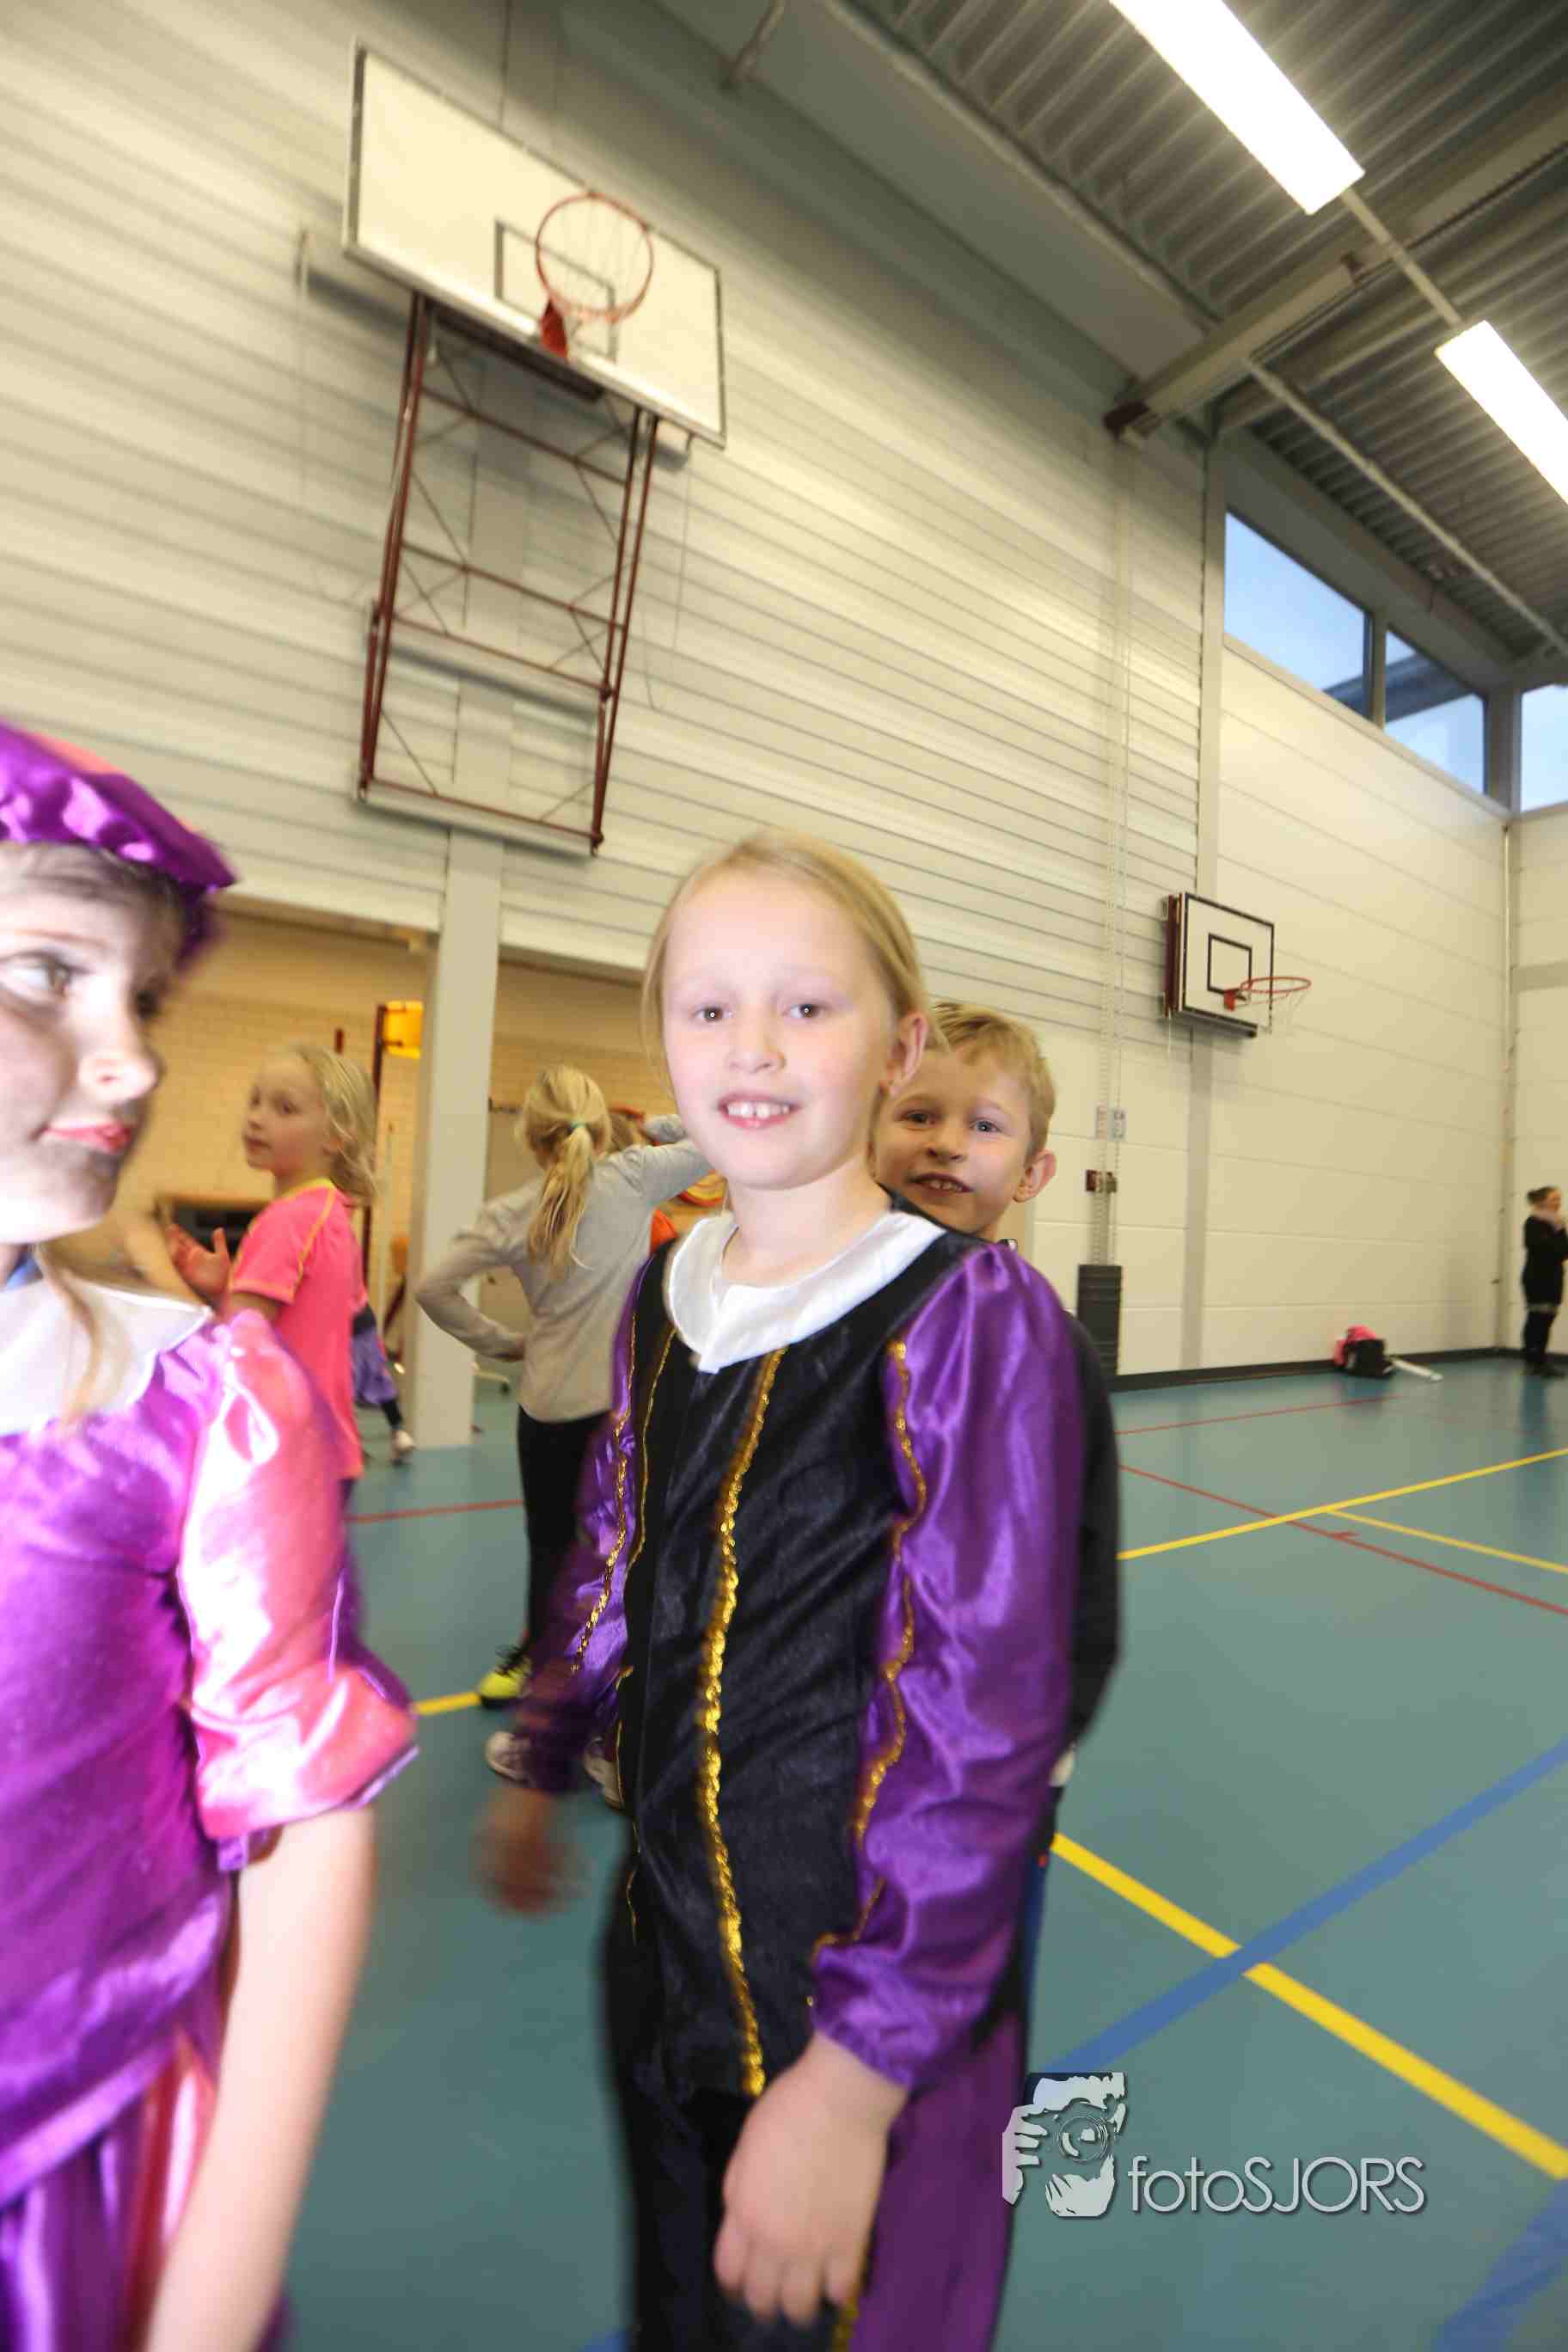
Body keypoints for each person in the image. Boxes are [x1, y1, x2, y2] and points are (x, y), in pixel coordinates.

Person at [481, 835, 1081, 2351]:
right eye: (708, 1008)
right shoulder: (666, 1291)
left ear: (901, 1046)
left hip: (859, 1989)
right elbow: (615, 1546)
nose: (750, 1046)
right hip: (665, 1948)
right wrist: (550, 1746)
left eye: (806, 1007)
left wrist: (862, 2073)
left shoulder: (970, 1316)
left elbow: (984, 1715)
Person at [0, 721, 416, 2351]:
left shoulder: (281, 1246)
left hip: (252, 1462)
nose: (138, 1065)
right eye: (54, 979)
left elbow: (269, 1313)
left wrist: (192, 1286)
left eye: (145, 1007)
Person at [875, 1001, 1120, 2013]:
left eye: (983, 1126)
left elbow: (1079, 1565)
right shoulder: (803, 1322)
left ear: (1030, 1172)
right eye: (918, 1115)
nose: (945, 1142)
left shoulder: (1044, 1351)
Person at [416, 1068, 708, 1715]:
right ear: (602, 1129)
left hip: (545, 1405)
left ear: (531, 1139)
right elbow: (721, 1140)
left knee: (549, 1547)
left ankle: (548, 1676)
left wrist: (501, 1343)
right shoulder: (634, 1176)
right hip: (616, 1410)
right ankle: (607, 1681)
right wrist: (660, 1126)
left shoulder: (508, 1213)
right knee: (619, 1548)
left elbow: (433, 1289)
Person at [168, 1044, 378, 1487]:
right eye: (255, 1101)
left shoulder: (289, 1219)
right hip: (325, 1450)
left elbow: (236, 1343)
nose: (257, 1118)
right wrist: (226, 1289)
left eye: (285, 1108)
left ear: (336, 1136)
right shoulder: (332, 1212)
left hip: (285, 1453)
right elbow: (301, 1321)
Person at [352, 1295, 416, 1462]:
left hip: (345, 1325)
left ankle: (352, 1447)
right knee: (379, 1380)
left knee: (344, 1388)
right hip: (365, 1320)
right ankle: (400, 1433)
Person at [1522, 1185, 1567, 1378]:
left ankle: (1541, 1361)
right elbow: (1541, 1249)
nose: (1558, 1202)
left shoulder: (1559, 1224)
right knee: (1536, 1320)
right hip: (1536, 1278)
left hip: (1554, 1278)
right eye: (1554, 1199)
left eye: (1559, 1199)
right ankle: (1530, 1361)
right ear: (1542, 1202)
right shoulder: (1532, 1222)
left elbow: (1564, 1251)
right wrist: (1556, 1243)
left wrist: (1557, 1238)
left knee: (1548, 1320)